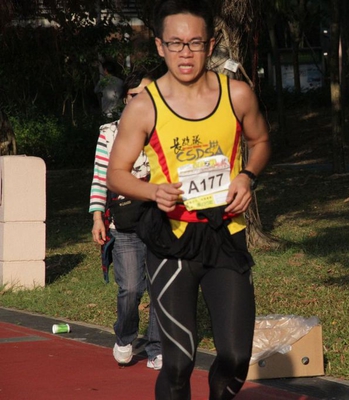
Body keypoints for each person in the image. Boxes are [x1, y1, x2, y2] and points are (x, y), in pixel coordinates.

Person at [107, 0, 270, 399]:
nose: (185, 53)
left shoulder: (238, 95)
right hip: (171, 241)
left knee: (235, 357)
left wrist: (247, 176)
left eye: (195, 43)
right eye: (175, 43)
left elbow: (261, 141)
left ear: (210, 44)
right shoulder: (144, 106)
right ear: (160, 46)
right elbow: (116, 173)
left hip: (225, 235)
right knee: (178, 363)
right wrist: (153, 191)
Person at [89, 70, 163, 370]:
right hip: (125, 221)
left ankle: (157, 347)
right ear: (124, 99)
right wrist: (97, 217)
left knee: (160, 287)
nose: (140, 99)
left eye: (147, 93)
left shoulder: (166, 128)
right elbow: (100, 177)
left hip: (161, 219)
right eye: (134, 94)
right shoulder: (110, 133)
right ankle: (125, 336)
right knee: (131, 288)